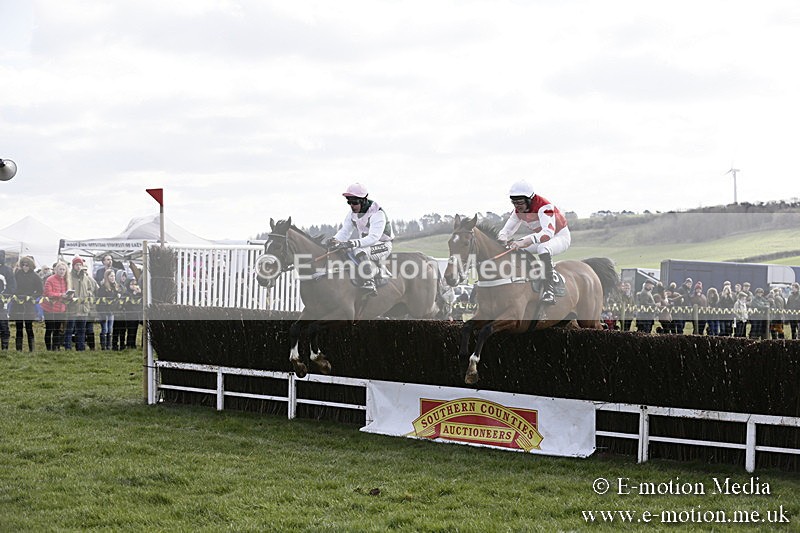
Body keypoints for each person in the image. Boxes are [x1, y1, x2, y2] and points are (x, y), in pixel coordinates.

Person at [498, 180, 571, 305]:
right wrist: (501, 239)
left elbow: (548, 234)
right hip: (541, 236)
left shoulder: (545, 206)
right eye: (514, 202)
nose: (517, 206)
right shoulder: (517, 212)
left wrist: (525, 242)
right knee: (515, 247)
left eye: (520, 202)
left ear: (529, 199)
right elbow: (506, 231)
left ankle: (549, 290)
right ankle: (530, 277)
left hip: (559, 236)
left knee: (543, 248)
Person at [329, 183, 394, 296]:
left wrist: (352, 243)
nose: (351, 205)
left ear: (364, 200)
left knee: (359, 250)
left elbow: (374, 237)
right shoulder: (352, 214)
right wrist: (335, 240)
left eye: (354, 202)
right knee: (345, 251)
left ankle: (370, 281)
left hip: (383, 245)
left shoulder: (377, 213)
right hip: (367, 244)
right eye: (349, 202)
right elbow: (345, 232)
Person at [64, 256, 97, 351]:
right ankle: (68, 348)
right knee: (69, 330)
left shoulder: (86, 278)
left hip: (83, 308)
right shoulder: (69, 277)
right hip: (73, 308)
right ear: (73, 266)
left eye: (80, 265)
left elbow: (91, 289)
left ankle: (81, 348)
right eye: (76, 265)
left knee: (81, 330)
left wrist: (88, 295)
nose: (78, 267)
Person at [12, 256, 43, 352]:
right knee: (19, 327)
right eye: (23, 265)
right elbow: (13, 286)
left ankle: (32, 349)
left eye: (27, 265)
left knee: (29, 327)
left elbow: (40, 291)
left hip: (29, 304)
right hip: (18, 303)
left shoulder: (35, 276)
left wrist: (32, 296)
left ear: (31, 266)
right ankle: (18, 349)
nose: (25, 267)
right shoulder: (17, 274)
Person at [41, 261, 69, 351]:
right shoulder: (50, 279)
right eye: (60, 269)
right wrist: (61, 295)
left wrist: (69, 296)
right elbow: (48, 293)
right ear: (56, 270)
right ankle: (49, 348)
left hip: (61, 309)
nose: (62, 271)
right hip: (49, 308)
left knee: (57, 329)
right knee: (49, 329)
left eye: (64, 269)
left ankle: (55, 347)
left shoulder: (66, 280)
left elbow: (67, 292)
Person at [95, 270, 119, 350]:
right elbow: (100, 301)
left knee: (110, 329)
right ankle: (103, 346)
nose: (113, 278)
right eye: (111, 276)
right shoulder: (103, 288)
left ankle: (109, 345)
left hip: (111, 311)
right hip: (104, 311)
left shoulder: (115, 287)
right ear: (107, 277)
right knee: (104, 329)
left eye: (114, 276)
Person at [0, 250, 17, 350]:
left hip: (3, 303)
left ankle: (4, 349)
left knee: (3, 326)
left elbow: (13, 286)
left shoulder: (7, 270)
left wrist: (6, 296)